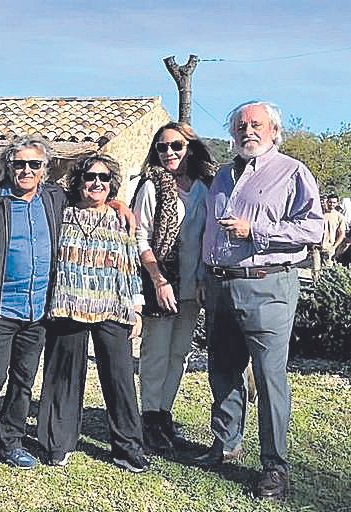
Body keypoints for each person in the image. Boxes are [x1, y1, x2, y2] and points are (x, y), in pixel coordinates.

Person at [197, 101, 323, 500]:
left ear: (273, 131)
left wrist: (256, 228)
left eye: (256, 125)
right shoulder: (221, 175)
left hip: (267, 285)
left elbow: (313, 227)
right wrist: (205, 275)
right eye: (240, 125)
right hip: (220, 286)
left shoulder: (292, 172)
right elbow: (210, 234)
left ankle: (274, 467)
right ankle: (226, 442)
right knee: (223, 369)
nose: (247, 131)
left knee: (269, 379)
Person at [38, 153, 148, 472]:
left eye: (103, 178)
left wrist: (136, 310)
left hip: (112, 307)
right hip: (68, 306)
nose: (96, 183)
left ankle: (127, 448)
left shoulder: (121, 220)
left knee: (121, 380)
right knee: (62, 378)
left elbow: (131, 268)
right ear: (79, 182)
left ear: (111, 184)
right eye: (90, 177)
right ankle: (58, 443)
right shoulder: (62, 214)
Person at [0, 135, 66, 473]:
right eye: (19, 164)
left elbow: (93, 201)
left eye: (34, 164)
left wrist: (117, 204)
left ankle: (11, 441)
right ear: (7, 167)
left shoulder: (55, 200)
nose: (26, 170)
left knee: (24, 380)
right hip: (1, 310)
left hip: (38, 312)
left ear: (45, 169)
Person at [131, 122, 215, 453]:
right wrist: (158, 280)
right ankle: (150, 418)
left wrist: (205, 278)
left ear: (190, 148)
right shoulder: (151, 187)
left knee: (179, 354)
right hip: (161, 284)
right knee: (155, 354)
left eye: (176, 146)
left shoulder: (206, 187)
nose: (169, 153)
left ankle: (165, 414)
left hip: (193, 285)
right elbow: (140, 237)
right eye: (162, 147)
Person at [321, 193, 347, 263]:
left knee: (327, 269)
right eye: (330, 202)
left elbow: (342, 234)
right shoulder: (320, 214)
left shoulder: (340, 217)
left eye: (334, 202)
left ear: (337, 203)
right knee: (314, 269)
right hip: (317, 247)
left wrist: (334, 247)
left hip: (329, 247)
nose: (332, 204)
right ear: (327, 202)